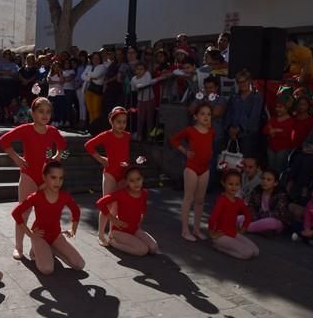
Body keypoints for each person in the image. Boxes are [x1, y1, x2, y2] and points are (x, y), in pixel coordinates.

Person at [0, 97, 67, 260]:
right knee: (23, 212)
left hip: (46, 179)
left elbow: (63, 145)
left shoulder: (52, 131)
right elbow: (3, 141)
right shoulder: (25, 129)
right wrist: (16, 158)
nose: (45, 115)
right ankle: (19, 246)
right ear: (32, 113)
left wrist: (57, 158)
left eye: (48, 112)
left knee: (44, 214)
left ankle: (39, 246)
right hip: (29, 175)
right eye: (41, 111)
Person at [11, 161, 84, 275]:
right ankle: (36, 249)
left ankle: (51, 249)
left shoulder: (64, 196)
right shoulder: (36, 197)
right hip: (39, 235)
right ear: (44, 177)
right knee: (47, 269)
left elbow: (76, 211)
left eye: (61, 178)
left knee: (79, 265)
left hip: (55, 235)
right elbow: (16, 213)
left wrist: (73, 229)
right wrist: (30, 233)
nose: (57, 182)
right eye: (53, 177)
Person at [84, 107, 132, 246]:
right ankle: (100, 234)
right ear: (112, 121)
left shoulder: (127, 136)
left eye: (124, 122)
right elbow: (88, 145)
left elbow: (125, 154)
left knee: (117, 205)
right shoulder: (106, 135)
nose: (121, 125)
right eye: (118, 122)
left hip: (122, 174)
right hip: (110, 173)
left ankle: (112, 233)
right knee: (107, 204)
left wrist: (127, 166)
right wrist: (101, 159)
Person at [169, 102, 214, 242]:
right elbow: (173, 139)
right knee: (189, 198)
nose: (206, 117)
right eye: (202, 114)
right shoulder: (190, 130)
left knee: (200, 200)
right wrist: (185, 151)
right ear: (195, 117)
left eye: (208, 114)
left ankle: (196, 229)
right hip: (192, 168)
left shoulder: (212, 131)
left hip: (205, 168)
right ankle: (185, 230)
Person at [95, 165, 158, 256]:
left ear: (142, 179)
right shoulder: (121, 194)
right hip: (119, 231)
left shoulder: (144, 193)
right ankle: (114, 242)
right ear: (126, 182)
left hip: (134, 229)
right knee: (142, 250)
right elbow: (100, 203)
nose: (136, 183)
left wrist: (140, 221)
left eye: (138, 179)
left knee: (153, 248)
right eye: (131, 181)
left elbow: (143, 208)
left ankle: (133, 240)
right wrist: (113, 219)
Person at [208, 170, 259, 260]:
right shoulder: (222, 200)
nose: (234, 187)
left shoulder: (238, 201)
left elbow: (248, 214)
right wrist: (212, 233)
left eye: (237, 184)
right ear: (223, 183)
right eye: (230, 184)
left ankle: (223, 245)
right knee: (247, 254)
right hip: (221, 235)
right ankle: (218, 246)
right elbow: (213, 218)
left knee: (255, 252)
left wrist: (243, 228)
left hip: (233, 233)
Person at [225, 69, 262, 157]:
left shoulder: (256, 98)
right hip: (232, 135)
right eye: (239, 82)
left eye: (244, 81)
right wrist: (229, 128)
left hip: (248, 136)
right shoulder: (233, 98)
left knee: (246, 161)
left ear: (249, 81)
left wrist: (240, 128)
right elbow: (228, 114)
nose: (242, 84)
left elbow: (254, 117)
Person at [247, 169, 291, 235]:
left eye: (268, 180)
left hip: (274, 220)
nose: (264, 181)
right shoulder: (257, 190)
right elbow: (251, 206)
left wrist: (260, 216)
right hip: (257, 218)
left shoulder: (281, 194)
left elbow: (278, 214)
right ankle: (259, 229)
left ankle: (246, 227)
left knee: (271, 222)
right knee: (241, 217)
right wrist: (255, 216)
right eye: (263, 179)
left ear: (275, 183)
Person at [264, 98, 294, 173]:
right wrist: (277, 130)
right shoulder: (273, 119)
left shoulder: (291, 121)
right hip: (271, 148)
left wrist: (274, 130)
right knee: (271, 169)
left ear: (286, 108)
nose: (277, 109)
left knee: (280, 170)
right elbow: (265, 130)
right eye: (276, 107)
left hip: (283, 149)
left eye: (280, 107)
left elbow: (288, 134)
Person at [82, 52, 107, 124]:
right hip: (88, 90)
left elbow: (96, 75)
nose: (95, 60)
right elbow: (82, 76)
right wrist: (90, 78)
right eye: (94, 58)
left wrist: (88, 74)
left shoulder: (102, 67)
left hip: (97, 91)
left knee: (96, 110)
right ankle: (92, 126)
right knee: (90, 111)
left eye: (97, 58)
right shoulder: (89, 67)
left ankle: (96, 127)